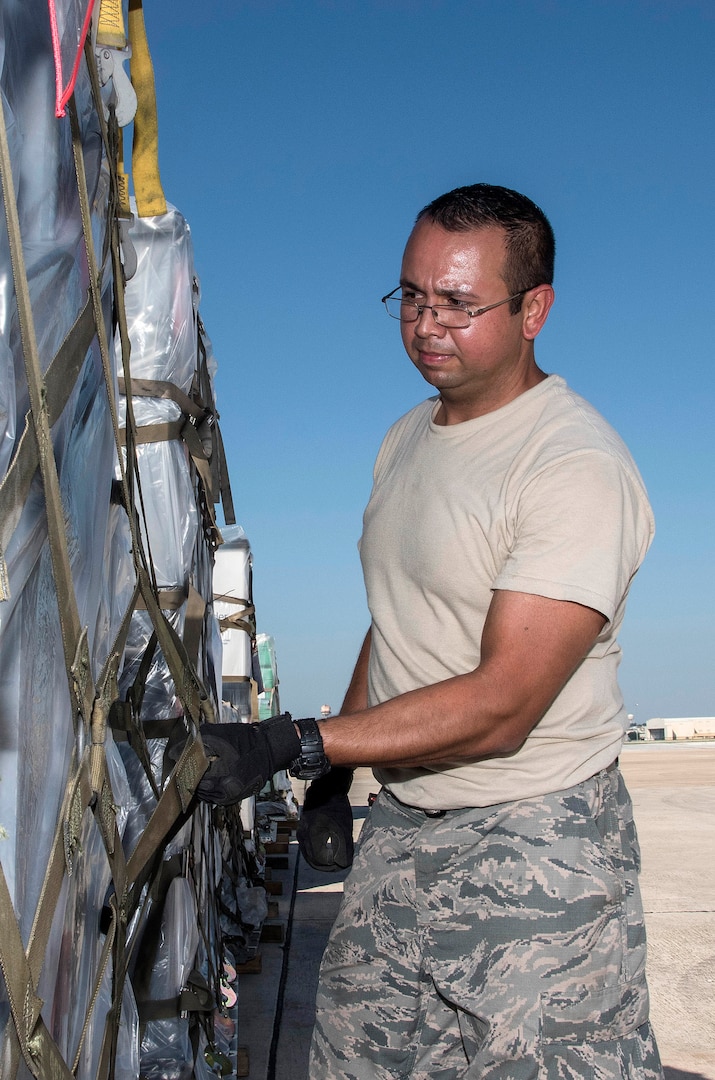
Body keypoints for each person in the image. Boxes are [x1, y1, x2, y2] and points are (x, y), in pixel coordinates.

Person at [197, 183, 663, 1079]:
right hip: (407, 827)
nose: (425, 324)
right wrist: (337, 775)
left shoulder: (571, 465)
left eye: (457, 303)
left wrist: (294, 741)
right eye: (410, 296)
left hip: (536, 839)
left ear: (534, 309)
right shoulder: (405, 437)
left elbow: (502, 704)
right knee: (353, 1061)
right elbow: (398, 623)